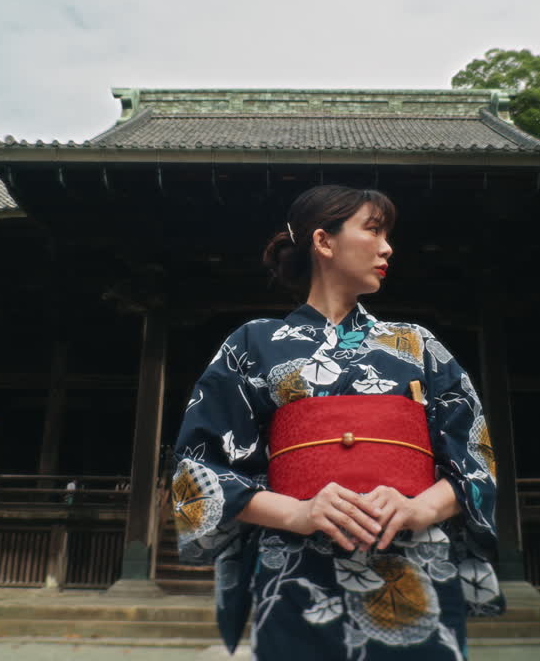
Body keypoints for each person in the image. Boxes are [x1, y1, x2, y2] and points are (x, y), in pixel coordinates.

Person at [170, 185, 505, 660]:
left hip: (414, 568)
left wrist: (419, 509)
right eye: (373, 230)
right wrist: (298, 514)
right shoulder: (252, 344)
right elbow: (196, 475)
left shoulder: (419, 344)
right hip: (295, 572)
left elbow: (476, 462)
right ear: (323, 242)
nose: (388, 247)